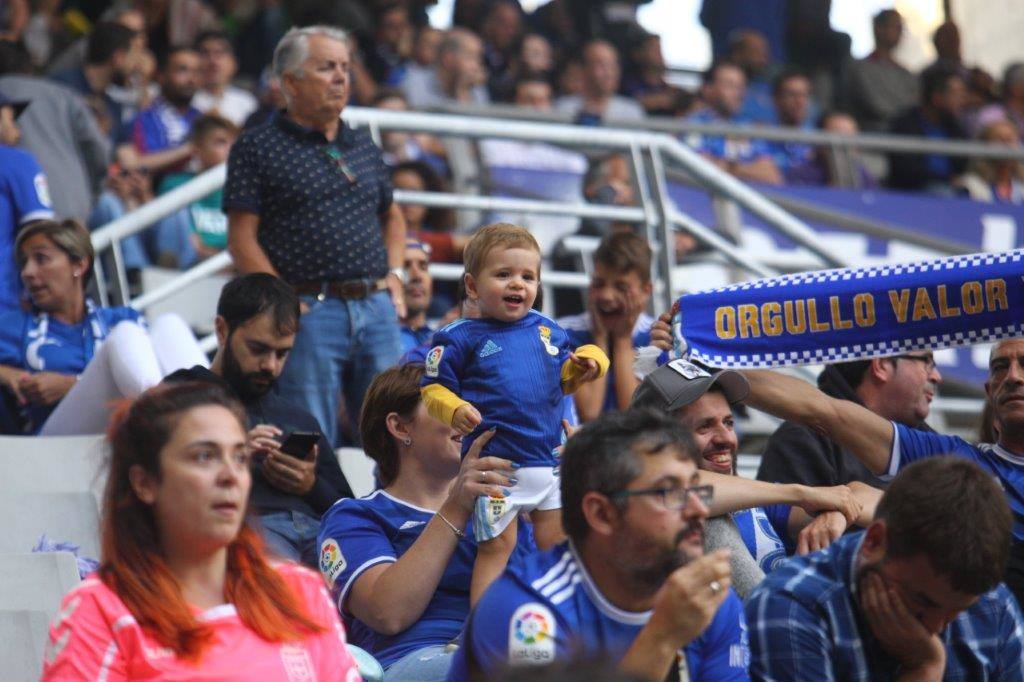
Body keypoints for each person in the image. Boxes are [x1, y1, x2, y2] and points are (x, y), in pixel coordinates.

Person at [41, 382, 361, 680]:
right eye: (204, 456)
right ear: (144, 482)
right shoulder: (100, 608)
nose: (230, 476)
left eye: (239, 457)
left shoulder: (299, 591)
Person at [448, 409, 748, 680]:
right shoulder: (527, 611)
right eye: (669, 492)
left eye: (695, 489)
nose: (698, 509)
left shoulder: (708, 598)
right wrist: (661, 636)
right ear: (601, 514)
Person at [732, 337, 1024, 607]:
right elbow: (820, 410)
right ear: (989, 390)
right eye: (1000, 367)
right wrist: (707, 369)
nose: (1012, 376)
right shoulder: (957, 462)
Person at [224, 25, 406, 446]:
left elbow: (393, 217)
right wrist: (283, 303)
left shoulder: (362, 143)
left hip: (376, 308)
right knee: (310, 435)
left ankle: (401, 515)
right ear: (290, 81)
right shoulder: (257, 147)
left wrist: (395, 275)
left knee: (397, 433)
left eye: (345, 66)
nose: (342, 77)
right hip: (310, 311)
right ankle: (316, 516)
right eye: (327, 67)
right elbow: (240, 238)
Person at [420, 223, 609, 600]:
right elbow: (432, 389)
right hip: (498, 470)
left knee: (556, 549)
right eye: (503, 275)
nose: (517, 285)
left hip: (550, 465)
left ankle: (560, 621)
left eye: (528, 276)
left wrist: (592, 364)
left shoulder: (549, 331)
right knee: (496, 550)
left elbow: (565, 377)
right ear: (473, 287)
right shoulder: (458, 337)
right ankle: (479, 632)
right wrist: (454, 409)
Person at [318, 363, 534, 680]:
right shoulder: (353, 516)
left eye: (471, 403)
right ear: (400, 427)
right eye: (448, 403)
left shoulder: (500, 510)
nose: (469, 414)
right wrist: (456, 506)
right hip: (413, 660)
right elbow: (388, 613)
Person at [746, 457, 1024, 680]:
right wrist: (924, 668)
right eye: (923, 601)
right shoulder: (791, 605)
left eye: (957, 612)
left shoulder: (994, 604)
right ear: (874, 541)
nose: (936, 628)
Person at [631, 359, 880, 596]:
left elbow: (876, 500)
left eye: (728, 423)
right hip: (748, 635)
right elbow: (677, 491)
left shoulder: (756, 500)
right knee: (711, 521)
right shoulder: (645, 503)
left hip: (789, 633)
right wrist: (802, 493)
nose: (726, 438)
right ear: (657, 442)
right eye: (704, 426)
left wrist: (839, 513)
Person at [164, 273, 353, 566]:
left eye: (282, 354)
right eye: (258, 349)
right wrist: (233, 456)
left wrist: (310, 485)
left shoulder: (298, 416)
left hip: (320, 533)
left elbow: (347, 509)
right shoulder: (183, 393)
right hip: (248, 528)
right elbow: (156, 476)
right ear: (222, 330)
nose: (270, 366)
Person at [0, 219, 203, 435]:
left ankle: (213, 411)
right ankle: (172, 425)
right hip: (55, 443)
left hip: (124, 433)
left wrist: (70, 385)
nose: (27, 272)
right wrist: (6, 373)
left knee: (168, 324)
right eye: (24, 263)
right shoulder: (14, 325)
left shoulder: (119, 318)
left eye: (41, 259)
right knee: (125, 334)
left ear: (79, 265)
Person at [757, 352, 941, 491]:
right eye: (927, 363)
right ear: (882, 364)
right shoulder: (802, 440)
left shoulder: (934, 447)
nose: (936, 376)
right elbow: (786, 531)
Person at [0, 40, 109, 222]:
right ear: (29, 66)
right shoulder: (63, 95)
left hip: (24, 223)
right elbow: (97, 149)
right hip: (73, 206)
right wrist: (92, 195)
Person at [559, 231, 654, 421]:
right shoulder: (564, 334)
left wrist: (622, 339)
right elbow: (589, 414)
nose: (607, 296)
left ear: (646, 291)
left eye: (621, 287)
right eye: (599, 284)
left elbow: (633, 416)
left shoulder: (658, 337)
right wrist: (600, 340)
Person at [151, 113, 239, 267]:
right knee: (174, 213)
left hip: (228, 272)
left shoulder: (242, 192)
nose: (231, 149)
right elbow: (187, 243)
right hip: (185, 267)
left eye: (234, 142)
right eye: (221, 142)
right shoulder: (174, 184)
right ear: (197, 150)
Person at [684, 60, 781, 185]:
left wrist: (730, 168)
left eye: (741, 87)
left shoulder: (746, 127)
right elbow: (699, 169)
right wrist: (748, 169)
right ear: (708, 89)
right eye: (730, 86)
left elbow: (772, 175)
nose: (739, 93)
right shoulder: (692, 124)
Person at [0, 90, 53, 309]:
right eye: (12, 119)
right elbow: (40, 231)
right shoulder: (16, 161)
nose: (18, 130)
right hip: (8, 304)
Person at [119, 45, 201, 174]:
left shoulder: (203, 119)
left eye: (196, 72)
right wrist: (189, 149)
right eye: (182, 70)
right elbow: (131, 164)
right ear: (161, 76)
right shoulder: (140, 118)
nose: (191, 79)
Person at [51, 21, 137, 143]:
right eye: (135, 54)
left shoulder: (112, 107)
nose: (138, 64)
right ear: (118, 57)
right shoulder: (62, 87)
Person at [888, 65, 968, 194]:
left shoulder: (954, 126)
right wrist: (946, 179)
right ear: (937, 97)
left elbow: (963, 164)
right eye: (956, 94)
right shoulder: (905, 124)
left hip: (951, 187)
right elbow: (907, 171)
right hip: (915, 194)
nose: (962, 100)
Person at [845, 9, 919, 133]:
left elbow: (916, 104)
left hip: (906, 136)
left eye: (901, 28)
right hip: (874, 137)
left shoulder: (907, 74)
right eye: (895, 27)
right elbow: (877, 106)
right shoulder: (860, 69)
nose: (900, 33)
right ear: (878, 29)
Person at [553, 40, 644, 126]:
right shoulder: (563, 108)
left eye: (612, 65)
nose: (608, 73)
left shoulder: (631, 111)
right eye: (601, 65)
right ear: (584, 70)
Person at [400, 27, 488, 109]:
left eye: (478, 58)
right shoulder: (416, 83)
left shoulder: (475, 88)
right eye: (470, 57)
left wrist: (463, 91)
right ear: (448, 59)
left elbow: (477, 124)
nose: (477, 66)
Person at [192, 30, 258, 127]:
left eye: (219, 53)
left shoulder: (247, 103)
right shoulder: (185, 100)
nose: (213, 61)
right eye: (205, 53)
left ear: (234, 63)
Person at [765, 69, 817, 184]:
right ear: (776, 100)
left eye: (804, 95)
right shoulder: (762, 138)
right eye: (792, 95)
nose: (799, 102)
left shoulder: (818, 141)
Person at [956, 118, 1024, 204]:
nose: (1006, 145)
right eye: (999, 139)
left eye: (1010, 139)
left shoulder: (1021, 188)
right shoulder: (970, 187)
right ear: (985, 145)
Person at [400, 239, 434, 355]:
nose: (417, 276)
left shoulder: (446, 339)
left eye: (423, 267)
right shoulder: (375, 343)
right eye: (405, 266)